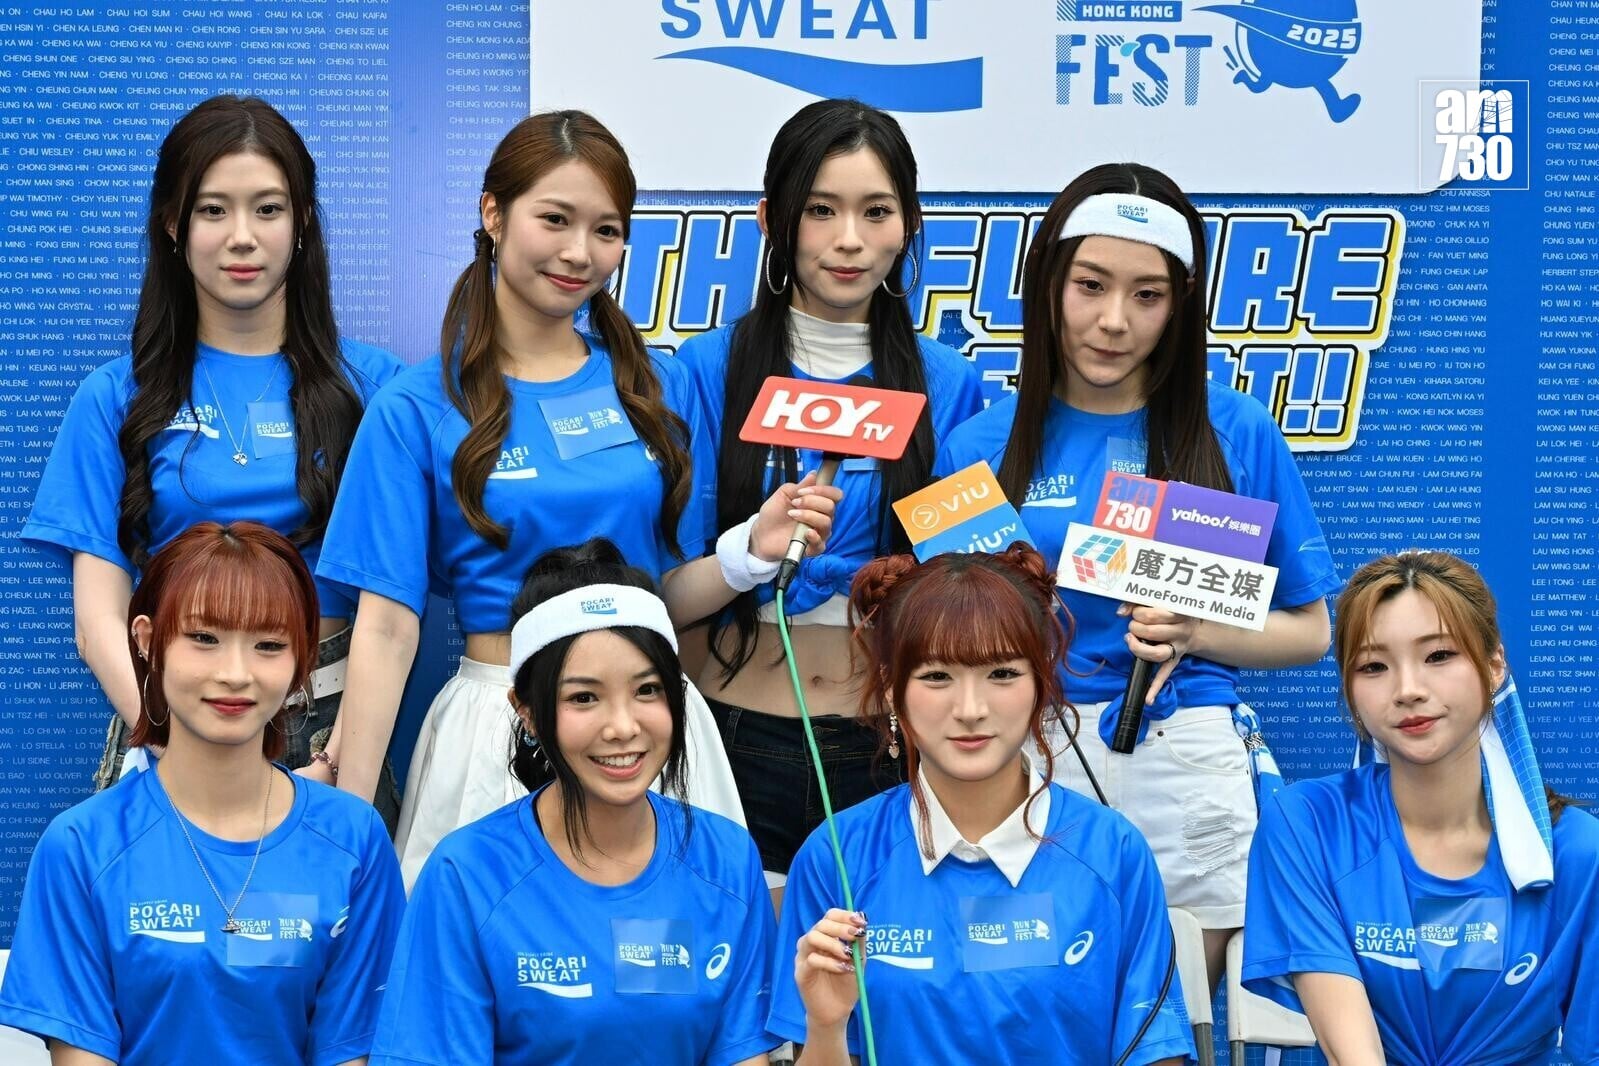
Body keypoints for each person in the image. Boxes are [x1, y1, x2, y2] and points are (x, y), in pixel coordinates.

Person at [315, 110, 839, 888]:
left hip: (647, 729)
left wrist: (746, 556)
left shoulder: (654, 388)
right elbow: (388, 630)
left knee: (674, 947)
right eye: (554, 219)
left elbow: (666, 593)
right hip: (499, 724)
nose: (578, 252)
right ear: (493, 214)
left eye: (606, 230)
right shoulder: (416, 407)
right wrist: (349, 832)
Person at [935, 161, 1338, 983]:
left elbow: (1310, 633)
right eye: (1089, 285)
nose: (1113, 321)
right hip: (1023, 749)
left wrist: (1194, 629)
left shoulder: (1234, 429)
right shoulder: (977, 444)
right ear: (1048, 284)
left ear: (1180, 304)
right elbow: (951, 636)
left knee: (1179, 1008)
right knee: (1033, 1002)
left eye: (1146, 295)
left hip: (1181, 748)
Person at [19, 95, 403, 818]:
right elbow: (97, 619)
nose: (242, 237)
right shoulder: (115, 397)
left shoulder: (377, 391)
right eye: (213, 210)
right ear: (173, 223)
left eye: (268, 209)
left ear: (303, 221)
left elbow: (392, 610)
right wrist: (172, 740)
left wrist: (340, 767)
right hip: (168, 721)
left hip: (331, 732)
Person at [679, 98, 982, 899]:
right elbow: (661, 594)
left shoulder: (948, 385)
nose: (849, 240)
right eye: (820, 210)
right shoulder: (705, 371)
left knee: (878, 971)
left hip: (884, 742)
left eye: (875, 211)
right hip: (727, 737)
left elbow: (967, 586)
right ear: (771, 220)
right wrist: (747, 554)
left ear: (908, 224)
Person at [0, 521, 406, 1066]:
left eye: (268, 645)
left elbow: (352, 1050)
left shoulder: (354, 838)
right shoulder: (80, 846)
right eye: (205, 639)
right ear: (148, 641)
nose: (235, 674)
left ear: (303, 659)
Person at [774, 545, 1192, 1065]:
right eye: (936, 676)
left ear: (1042, 680)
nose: (970, 709)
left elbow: (1157, 1054)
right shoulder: (836, 854)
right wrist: (826, 1026)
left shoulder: (1113, 851)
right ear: (890, 689)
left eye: (1001, 673)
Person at [370, 540, 778, 1065]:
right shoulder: (466, 875)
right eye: (583, 697)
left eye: (648, 690)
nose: (623, 727)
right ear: (528, 712)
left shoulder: (726, 859)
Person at [1243, 550, 1599, 1065]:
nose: (1408, 690)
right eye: (1374, 666)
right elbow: (1353, 1055)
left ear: (1493, 665)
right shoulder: (1307, 823)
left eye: (1438, 656)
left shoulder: (1577, 853)